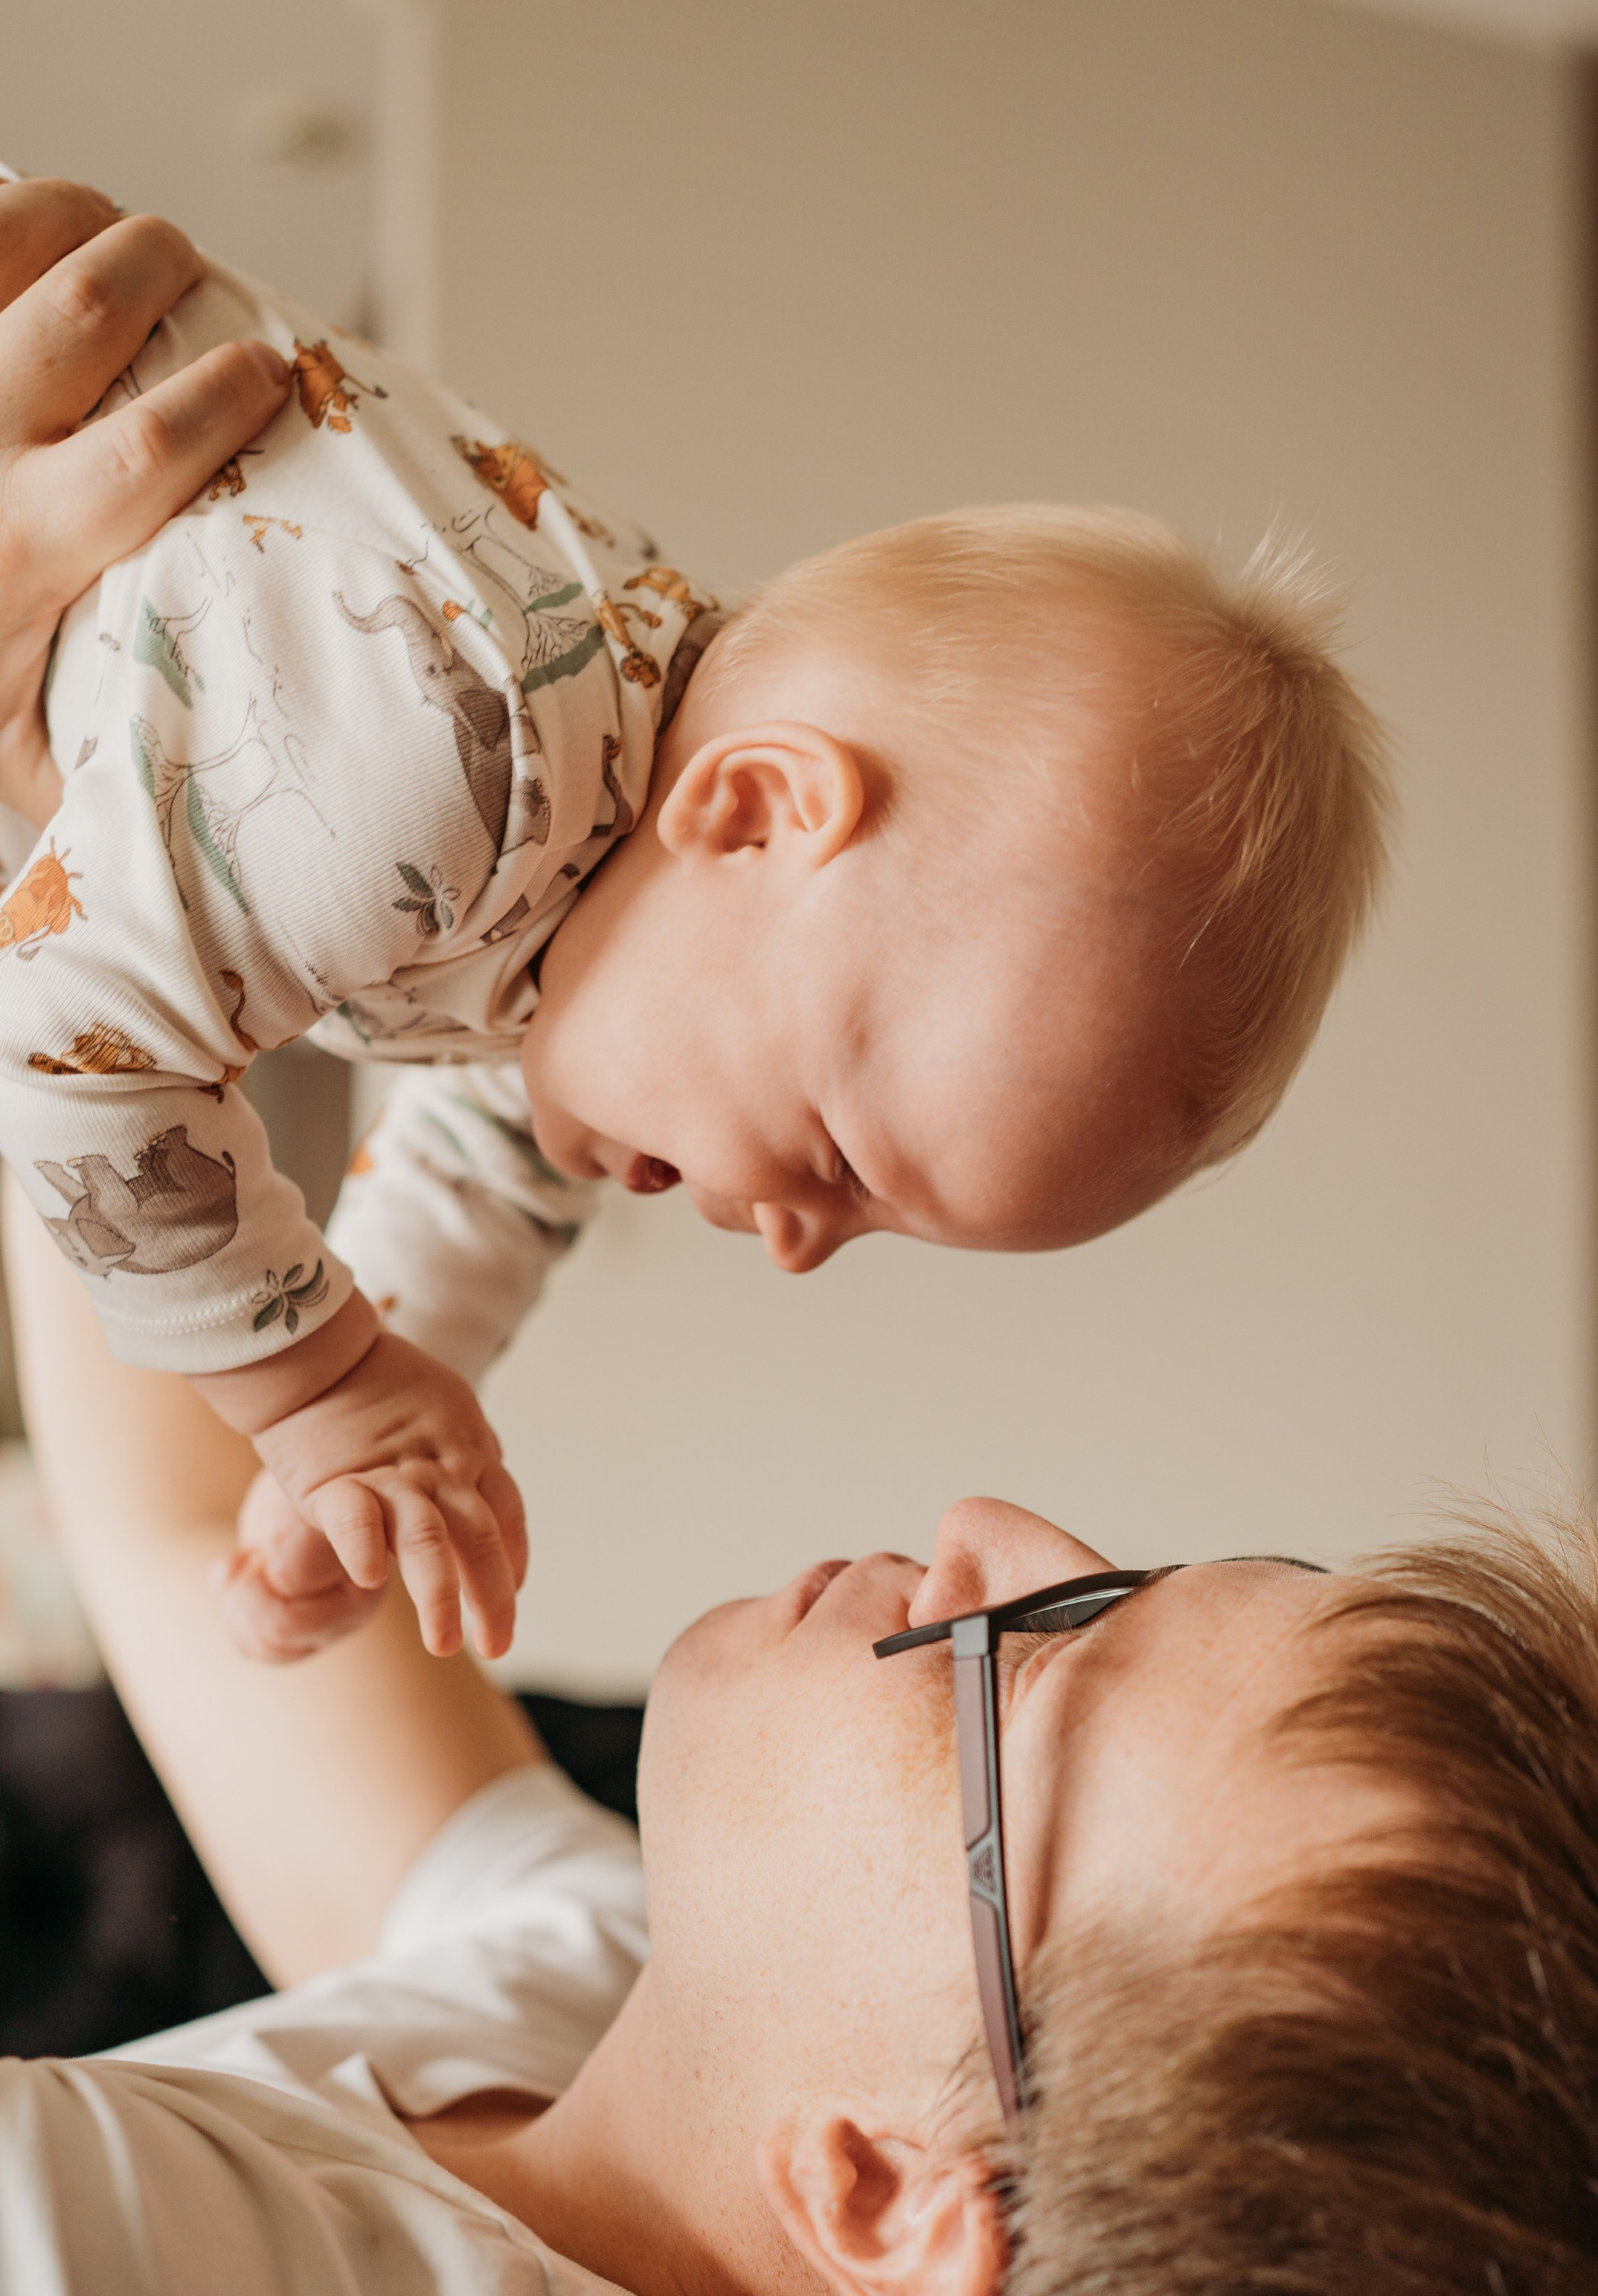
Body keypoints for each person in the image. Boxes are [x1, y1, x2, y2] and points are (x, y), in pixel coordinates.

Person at [0, 184, 1598, 2296]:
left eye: (1046, 1655)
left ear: (893, 2199)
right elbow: (186, 1535)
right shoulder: (668, 2164)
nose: (976, 1518)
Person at [0, 170, 1389, 1672]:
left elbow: (489, 1157)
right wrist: (323, 1396)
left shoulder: (582, 859)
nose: (791, 1244)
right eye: (845, 1164)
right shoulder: (443, 759)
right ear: (756, 814)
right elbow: (71, 1059)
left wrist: (376, 1451)